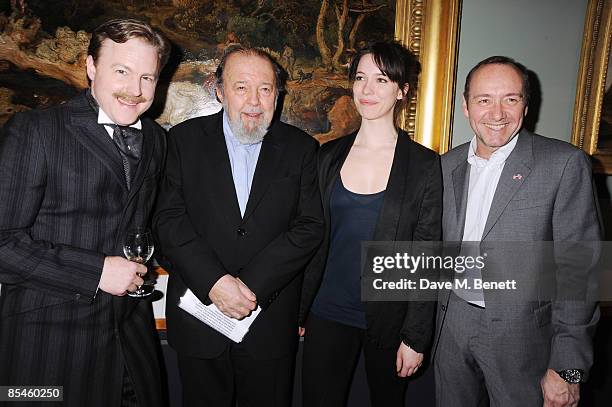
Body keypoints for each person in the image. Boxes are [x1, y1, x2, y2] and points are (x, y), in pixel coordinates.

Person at [0, 18, 171, 407]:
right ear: (91, 67)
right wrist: (97, 271)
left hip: (132, 346)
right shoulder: (36, 130)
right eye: (121, 71)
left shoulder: (157, 140)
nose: (135, 90)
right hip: (45, 350)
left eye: (148, 77)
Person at [153, 45, 324, 406]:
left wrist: (249, 285)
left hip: (270, 323)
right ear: (219, 90)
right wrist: (215, 283)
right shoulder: (181, 142)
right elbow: (167, 221)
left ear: (277, 95)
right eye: (241, 86)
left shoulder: (302, 149)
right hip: (200, 319)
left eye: (265, 89)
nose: (254, 101)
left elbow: (309, 227)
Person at [433, 56, 602, 407]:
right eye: (484, 100)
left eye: (510, 99)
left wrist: (567, 368)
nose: (497, 114)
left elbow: (580, 271)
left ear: (525, 105)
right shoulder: (446, 165)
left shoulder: (563, 164)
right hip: (451, 325)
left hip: (523, 337)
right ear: (465, 106)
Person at [298, 41, 442, 407]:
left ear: (402, 90)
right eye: (360, 78)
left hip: (390, 320)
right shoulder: (327, 156)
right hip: (326, 312)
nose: (367, 89)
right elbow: (309, 238)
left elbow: (427, 256)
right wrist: (299, 309)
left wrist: (416, 336)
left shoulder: (424, 165)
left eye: (381, 79)